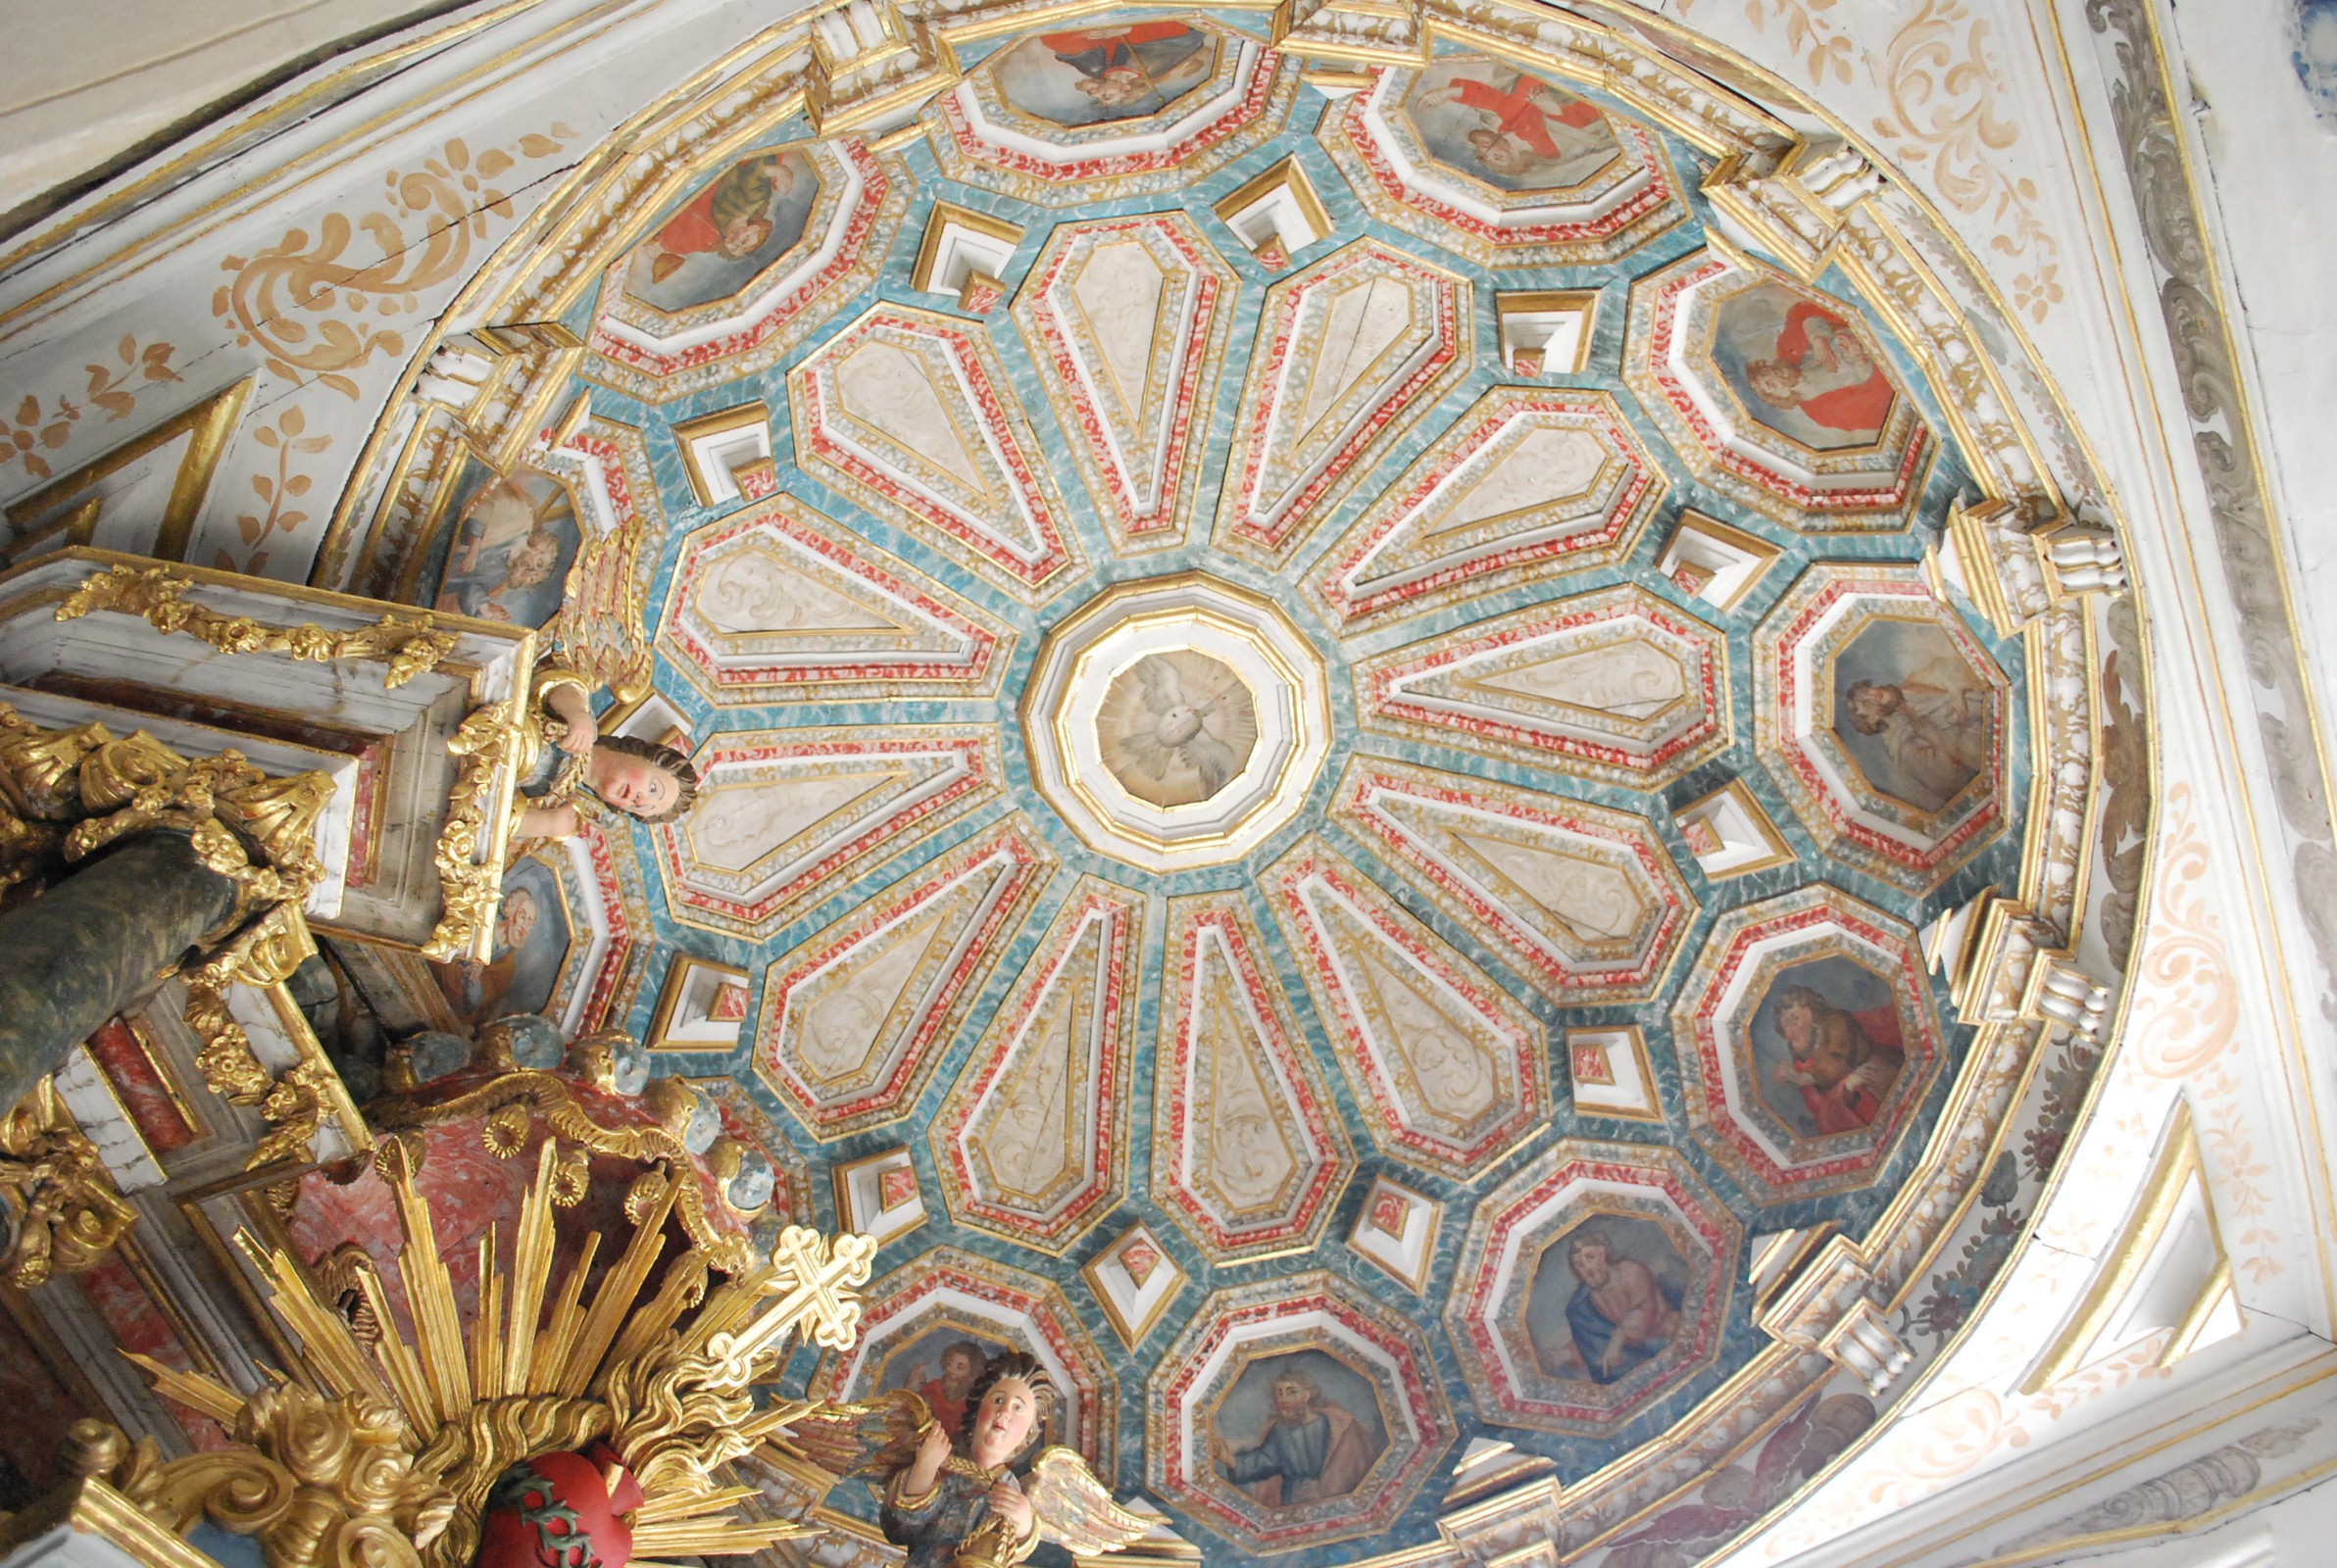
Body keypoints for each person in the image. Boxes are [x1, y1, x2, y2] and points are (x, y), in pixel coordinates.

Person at [881, 1351, 1049, 1568]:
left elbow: (1008, 1555)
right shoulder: (944, 1462)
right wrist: (925, 1468)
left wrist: (1025, 1527)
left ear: (1029, 1431)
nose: (1005, 1412)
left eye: (1018, 1408)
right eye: (998, 1400)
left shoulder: (1013, 1491)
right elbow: (897, 1530)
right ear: (979, 1408)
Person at [510, 662, 698, 842]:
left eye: (641, 807)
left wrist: (545, 823)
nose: (640, 801)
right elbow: (551, 680)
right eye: (652, 789)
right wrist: (574, 711)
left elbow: (497, 815)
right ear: (642, 756)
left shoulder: (552, 796)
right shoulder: (584, 720)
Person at [1211, 1366, 1383, 1508]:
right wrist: (1229, 1459)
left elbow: (1355, 1469)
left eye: (1291, 1392)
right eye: (1279, 1393)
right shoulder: (1279, 1432)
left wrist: (1325, 1490)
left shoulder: (1337, 1426)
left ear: (1306, 1395)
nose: (1283, 1399)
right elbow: (1264, 1461)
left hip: (1333, 1504)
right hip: (1291, 1502)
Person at [1845, 656, 1990, 809]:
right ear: (1872, 720)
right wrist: (1936, 740)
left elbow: (1947, 666)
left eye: (1867, 691)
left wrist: (1955, 690)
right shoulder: (1902, 746)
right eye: (1866, 704)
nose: (1873, 695)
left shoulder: (1908, 687)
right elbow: (1948, 780)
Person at [1416, 68, 1607, 181]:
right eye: (1497, 157)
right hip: (1586, 78)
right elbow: (1587, 130)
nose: (1487, 149)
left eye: (1482, 153)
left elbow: (1492, 100)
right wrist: (1556, 111)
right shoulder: (1546, 150)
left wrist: (1448, 93)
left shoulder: (1502, 125)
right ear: (1515, 158)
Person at [1767, 984, 1906, 1134]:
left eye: (1795, 1018)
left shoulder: (1836, 1021)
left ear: (1811, 1010)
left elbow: (1839, 1064)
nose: (1793, 1028)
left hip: (1873, 1070)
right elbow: (1819, 1105)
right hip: (1850, 1096)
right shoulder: (1800, 1057)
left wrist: (1802, 1078)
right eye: (1786, 1025)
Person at [1742, 301, 1895, 436]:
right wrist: (1862, 363)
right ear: (1781, 396)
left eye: (1767, 371)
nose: (1775, 374)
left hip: (1877, 320)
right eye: (1771, 384)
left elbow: (1803, 311)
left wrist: (1819, 339)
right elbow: (1881, 411)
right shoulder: (1822, 414)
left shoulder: (1787, 350)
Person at [1553, 1228, 1681, 1384]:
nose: (1587, 1267)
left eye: (1590, 1257)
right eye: (1580, 1265)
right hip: (1630, 1352)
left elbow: (1645, 1309)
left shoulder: (1630, 1271)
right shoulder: (1585, 1302)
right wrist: (1566, 1354)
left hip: (1663, 1334)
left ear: (1602, 1253)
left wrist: (1618, 1339)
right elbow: (1595, 1335)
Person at [643, 154, 793, 284]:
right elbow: (751, 173)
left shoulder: (710, 238)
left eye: (734, 248)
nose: (735, 241)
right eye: (745, 240)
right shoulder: (751, 202)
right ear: (753, 227)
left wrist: (662, 246)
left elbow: (673, 242)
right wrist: (776, 170)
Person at [434, 477, 569, 621]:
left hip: (431, 569)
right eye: (539, 563)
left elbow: (468, 588)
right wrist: (474, 547)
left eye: (532, 578)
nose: (529, 571)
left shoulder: (501, 576)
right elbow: (484, 504)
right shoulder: (520, 517)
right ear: (540, 546)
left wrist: (484, 607)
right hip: (438, 528)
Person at [1036, 23, 1208, 110]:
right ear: (1126, 88)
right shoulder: (1152, 65)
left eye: (1095, 95)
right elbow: (1181, 27)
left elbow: (1056, 42)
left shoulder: (1095, 68)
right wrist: (1127, 29)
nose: (1094, 93)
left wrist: (1082, 34)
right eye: (1107, 96)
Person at [918, 1341, 989, 1445]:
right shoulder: (934, 1387)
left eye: (960, 1367)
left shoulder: (975, 1402)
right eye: (949, 1364)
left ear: (972, 1373)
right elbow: (914, 1412)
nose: (951, 1370)